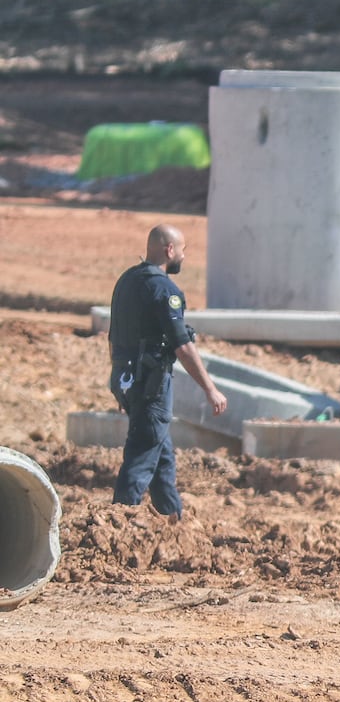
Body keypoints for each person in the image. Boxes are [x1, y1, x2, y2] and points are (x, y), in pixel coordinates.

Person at [108, 224, 227, 523]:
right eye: (183, 250)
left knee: (161, 461)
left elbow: (114, 338)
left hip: (128, 380)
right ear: (169, 250)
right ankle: (116, 526)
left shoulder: (126, 281)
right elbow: (182, 346)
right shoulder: (165, 290)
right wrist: (210, 388)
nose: (184, 257)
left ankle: (173, 524)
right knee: (140, 458)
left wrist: (121, 385)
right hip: (152, 386)